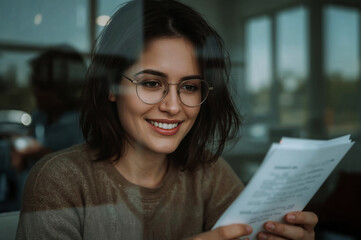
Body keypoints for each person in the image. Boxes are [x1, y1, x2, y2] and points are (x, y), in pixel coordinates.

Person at [16, 0, 318, 239]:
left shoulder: (209, 174)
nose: (173, 107)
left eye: (189, 87)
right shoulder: (59, 182)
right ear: (111, 86)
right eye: (151, 83)